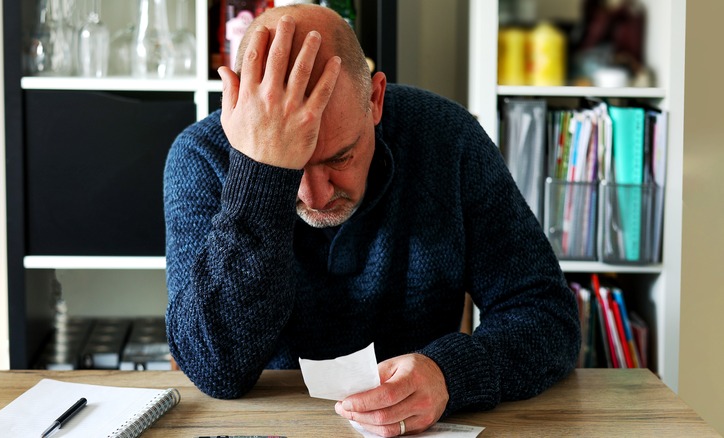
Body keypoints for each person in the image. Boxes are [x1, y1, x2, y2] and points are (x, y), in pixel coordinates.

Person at [164, 4, 580, 437]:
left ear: (375, 99)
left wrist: (450, 375)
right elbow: (215, 370)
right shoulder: (200, 157)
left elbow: (547, 315)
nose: (316, 196)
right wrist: (260, 175)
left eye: (340, 157)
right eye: (294, 170)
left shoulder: (446, 138)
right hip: (270, 426)